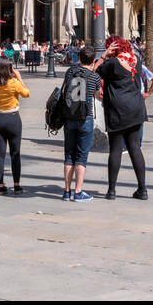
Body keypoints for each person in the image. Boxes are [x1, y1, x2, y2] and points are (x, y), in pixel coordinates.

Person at [98, 38, 149, 199]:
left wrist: (104, 55)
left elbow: (93, 70)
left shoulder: (112, 63)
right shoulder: (136, 60)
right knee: (135, 147)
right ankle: (142, 189)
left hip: (118, 110)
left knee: (115, 149)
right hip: (136, 108)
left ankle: (112, 190)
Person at [61, 44, 102, 202]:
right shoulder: (94, 77)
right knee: (81, 156)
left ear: (79, 58)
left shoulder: (70, 72)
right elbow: (99, 95)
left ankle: (66, 191)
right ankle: (78, 192)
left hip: (69, 117)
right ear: (93, 61)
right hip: (86, 118)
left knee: (69, 155)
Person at [0, 57, 29, 194]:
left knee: (0, 155)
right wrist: (19, 77)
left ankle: (0, 185)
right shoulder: (14, 83)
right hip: (13, 119)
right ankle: (17, 185)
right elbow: (26, 94)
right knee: (15, 153)